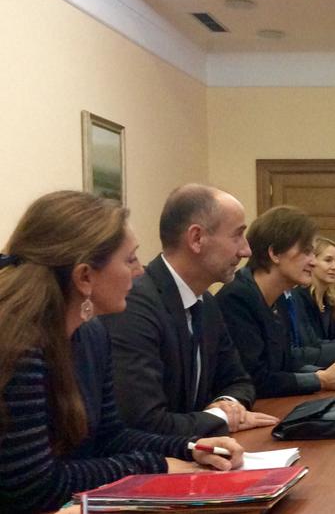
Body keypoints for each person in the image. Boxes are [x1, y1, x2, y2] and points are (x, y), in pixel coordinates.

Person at [0, 191, 243, 514]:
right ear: (85, 277)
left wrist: (190, 448)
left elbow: (111, 437)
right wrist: (156, 465)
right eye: (130, 260)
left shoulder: (92, 334)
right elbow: (34, 487)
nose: (140, 271)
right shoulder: (19, 346)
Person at [102, 185, 278, 436]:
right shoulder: (134, 306)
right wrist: (220, 418)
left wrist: (228, 404)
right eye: (237, 235)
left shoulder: (206, 303)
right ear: (196, 239)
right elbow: (143, 421)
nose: (246, 250)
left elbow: (239, 380)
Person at [218, 206, 335, 398]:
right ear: (274, 253)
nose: (313, 262)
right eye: (306, 251)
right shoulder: (236, 299)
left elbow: (287, 361)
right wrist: (321, 379)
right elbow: (255, 380)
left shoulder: (279, 298)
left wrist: (330, 373)